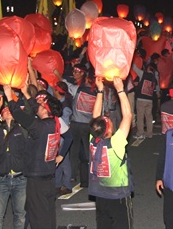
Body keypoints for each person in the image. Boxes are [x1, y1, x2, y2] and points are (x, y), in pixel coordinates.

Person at [4, 85, 63, 229]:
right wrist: (26, 94)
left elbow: (20, 115)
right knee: (48, 215)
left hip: (37, 179)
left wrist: (9, 97)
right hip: (49, 176)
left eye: (42, 105)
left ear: (46, 110)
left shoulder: (40, 127)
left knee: (38, 219)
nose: (39, 106)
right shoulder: (54, 123)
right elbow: (36, 108)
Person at [89, 76, 133, 229]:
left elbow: (95, 118)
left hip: (100, 195)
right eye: (108, 121)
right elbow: (127, 116)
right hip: (118, 196)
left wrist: (100, 90)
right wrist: (120, 89)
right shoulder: (116, 143)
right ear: (108, 129)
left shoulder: (93, 140)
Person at [0, 93, 27, 229]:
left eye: (10, 110)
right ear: (1, 117)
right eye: (5, 111)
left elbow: (28, 116)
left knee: (20, 214)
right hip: (1, 179)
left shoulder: (22, 129)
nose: (8, 112)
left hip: (20, 178)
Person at [55, 64, 95, 188]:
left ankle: (72, 174)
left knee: (74, 150)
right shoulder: (97, 94)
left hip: (76, 123)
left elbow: (65, 85)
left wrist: (57, 74)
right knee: (88, 151)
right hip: (88, 125)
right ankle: (90, 173)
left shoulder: (79, 90)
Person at [133, 61, 158, 139]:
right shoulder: (154, 78)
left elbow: (134, 68)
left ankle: (140, 133)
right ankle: (149, 133)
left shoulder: (143, 74)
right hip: (149, 100)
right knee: (149, 116)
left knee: (140, 116)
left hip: (141, 98)